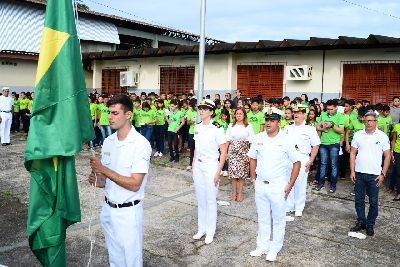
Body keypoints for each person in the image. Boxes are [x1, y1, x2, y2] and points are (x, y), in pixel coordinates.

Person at [88, 94, 151, 266]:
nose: (110, 116)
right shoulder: (108, 142)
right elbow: (105, 181)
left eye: (115, 113)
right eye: (109, 112)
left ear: (128, 115)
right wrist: (97, 179)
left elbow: (135, 184)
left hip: (128, 213)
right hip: (108, 209)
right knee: (115, 259)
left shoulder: (140, 144)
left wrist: (104, 170)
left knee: (131, 260)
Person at [248, 109, 301, 262]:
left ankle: (275, 248)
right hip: (261, 184)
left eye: (272, 120)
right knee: (263, 217)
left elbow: (297, 162)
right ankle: (262, 245)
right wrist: (253, 179)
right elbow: (252, 158)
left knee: (278, 218)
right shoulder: (258, 138)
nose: (268, 123)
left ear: (279, 122)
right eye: (267, 119)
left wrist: (290, 185)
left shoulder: (286, 139)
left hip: (278, 185)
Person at [192, 99, 227, 245]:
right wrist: (193, 165)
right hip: (198, 167)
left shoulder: (217, 128)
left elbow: (224, 150)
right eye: (200, 108)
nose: (201, 111)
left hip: (211, 166)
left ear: (211, 112)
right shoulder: (197, 127)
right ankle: (202, 229)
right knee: (201, 199)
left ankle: (210, 231)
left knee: (211, 200)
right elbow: (196, 148)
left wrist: (219, 171)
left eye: (205, 109)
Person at [349, 112, 390, 236]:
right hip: (359, 173)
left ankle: (370, 224)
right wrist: (352, 171)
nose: (368, 123)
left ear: (376, 122)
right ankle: (361, 221)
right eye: (366, 121)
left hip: (375, 175)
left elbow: (387, 156)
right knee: (359, 200)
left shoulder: (382, 136)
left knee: (373, 201)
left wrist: (383, 173)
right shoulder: (358, 135)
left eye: (371, 120)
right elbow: (352, 153)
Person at [284, 105, 320, 218]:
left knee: (300, 183)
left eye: (299, 112)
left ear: (304, 114)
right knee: (289, 182)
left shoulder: (310, 129)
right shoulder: (288, 128)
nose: (296, 114)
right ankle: (289, 205)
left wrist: (311, 160)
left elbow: (316, 145)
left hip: (302, 158)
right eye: (295, 112)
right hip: (289, 158)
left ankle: (299, 207)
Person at [315, 99, 345, 193]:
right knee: (323, 164)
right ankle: (320, 183)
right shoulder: (323, 115)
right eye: (328, 109)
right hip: (323, 143)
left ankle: (333, 185)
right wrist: (324, 129)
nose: (329, 111)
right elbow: (318, 127)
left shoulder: (340, 116)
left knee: (333, 165)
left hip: (334, 144)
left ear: (336, 107)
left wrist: (332, 125)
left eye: (331, 109)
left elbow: (341, 130)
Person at [226, 107, 254, 202]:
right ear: (234, 115)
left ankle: (240, 192)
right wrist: (226, 153)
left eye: (240, 114)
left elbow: (251, 142)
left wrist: (249, 154)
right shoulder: (231, 125)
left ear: (244, 115)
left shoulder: (248, 126)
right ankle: (234, 192)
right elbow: (227, 140)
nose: (238, 115)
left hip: (244, 151)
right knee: (233, 173)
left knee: (242, 174)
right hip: (233, 151)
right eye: (237, 113)